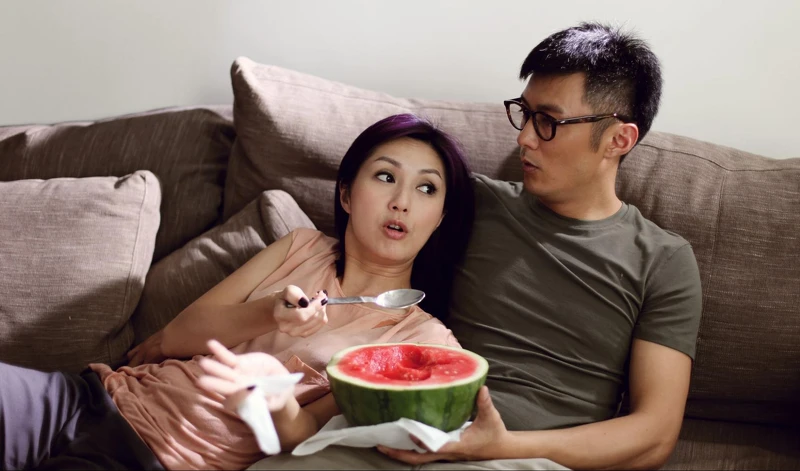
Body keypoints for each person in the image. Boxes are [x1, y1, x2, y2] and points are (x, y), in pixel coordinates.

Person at [253, 22, 702, 471]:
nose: (524, 137)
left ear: (618, 140)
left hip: (524, 459)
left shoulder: (663, 260)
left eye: (548, 122)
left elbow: (654, 436)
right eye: (524, 113)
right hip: (391, 431)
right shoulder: (467, 202)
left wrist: (497, 447)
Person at [0, 113, 475, 470]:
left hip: (160, 456)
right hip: (89, 396)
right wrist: (269, 312)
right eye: (386, 177)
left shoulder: (423, 342)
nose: (401, 201)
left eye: (427, 189)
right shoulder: (301, 246)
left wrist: (276, 393)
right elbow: (177, 336)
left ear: (441, 217)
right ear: (347, 194)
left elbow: (307, 432)